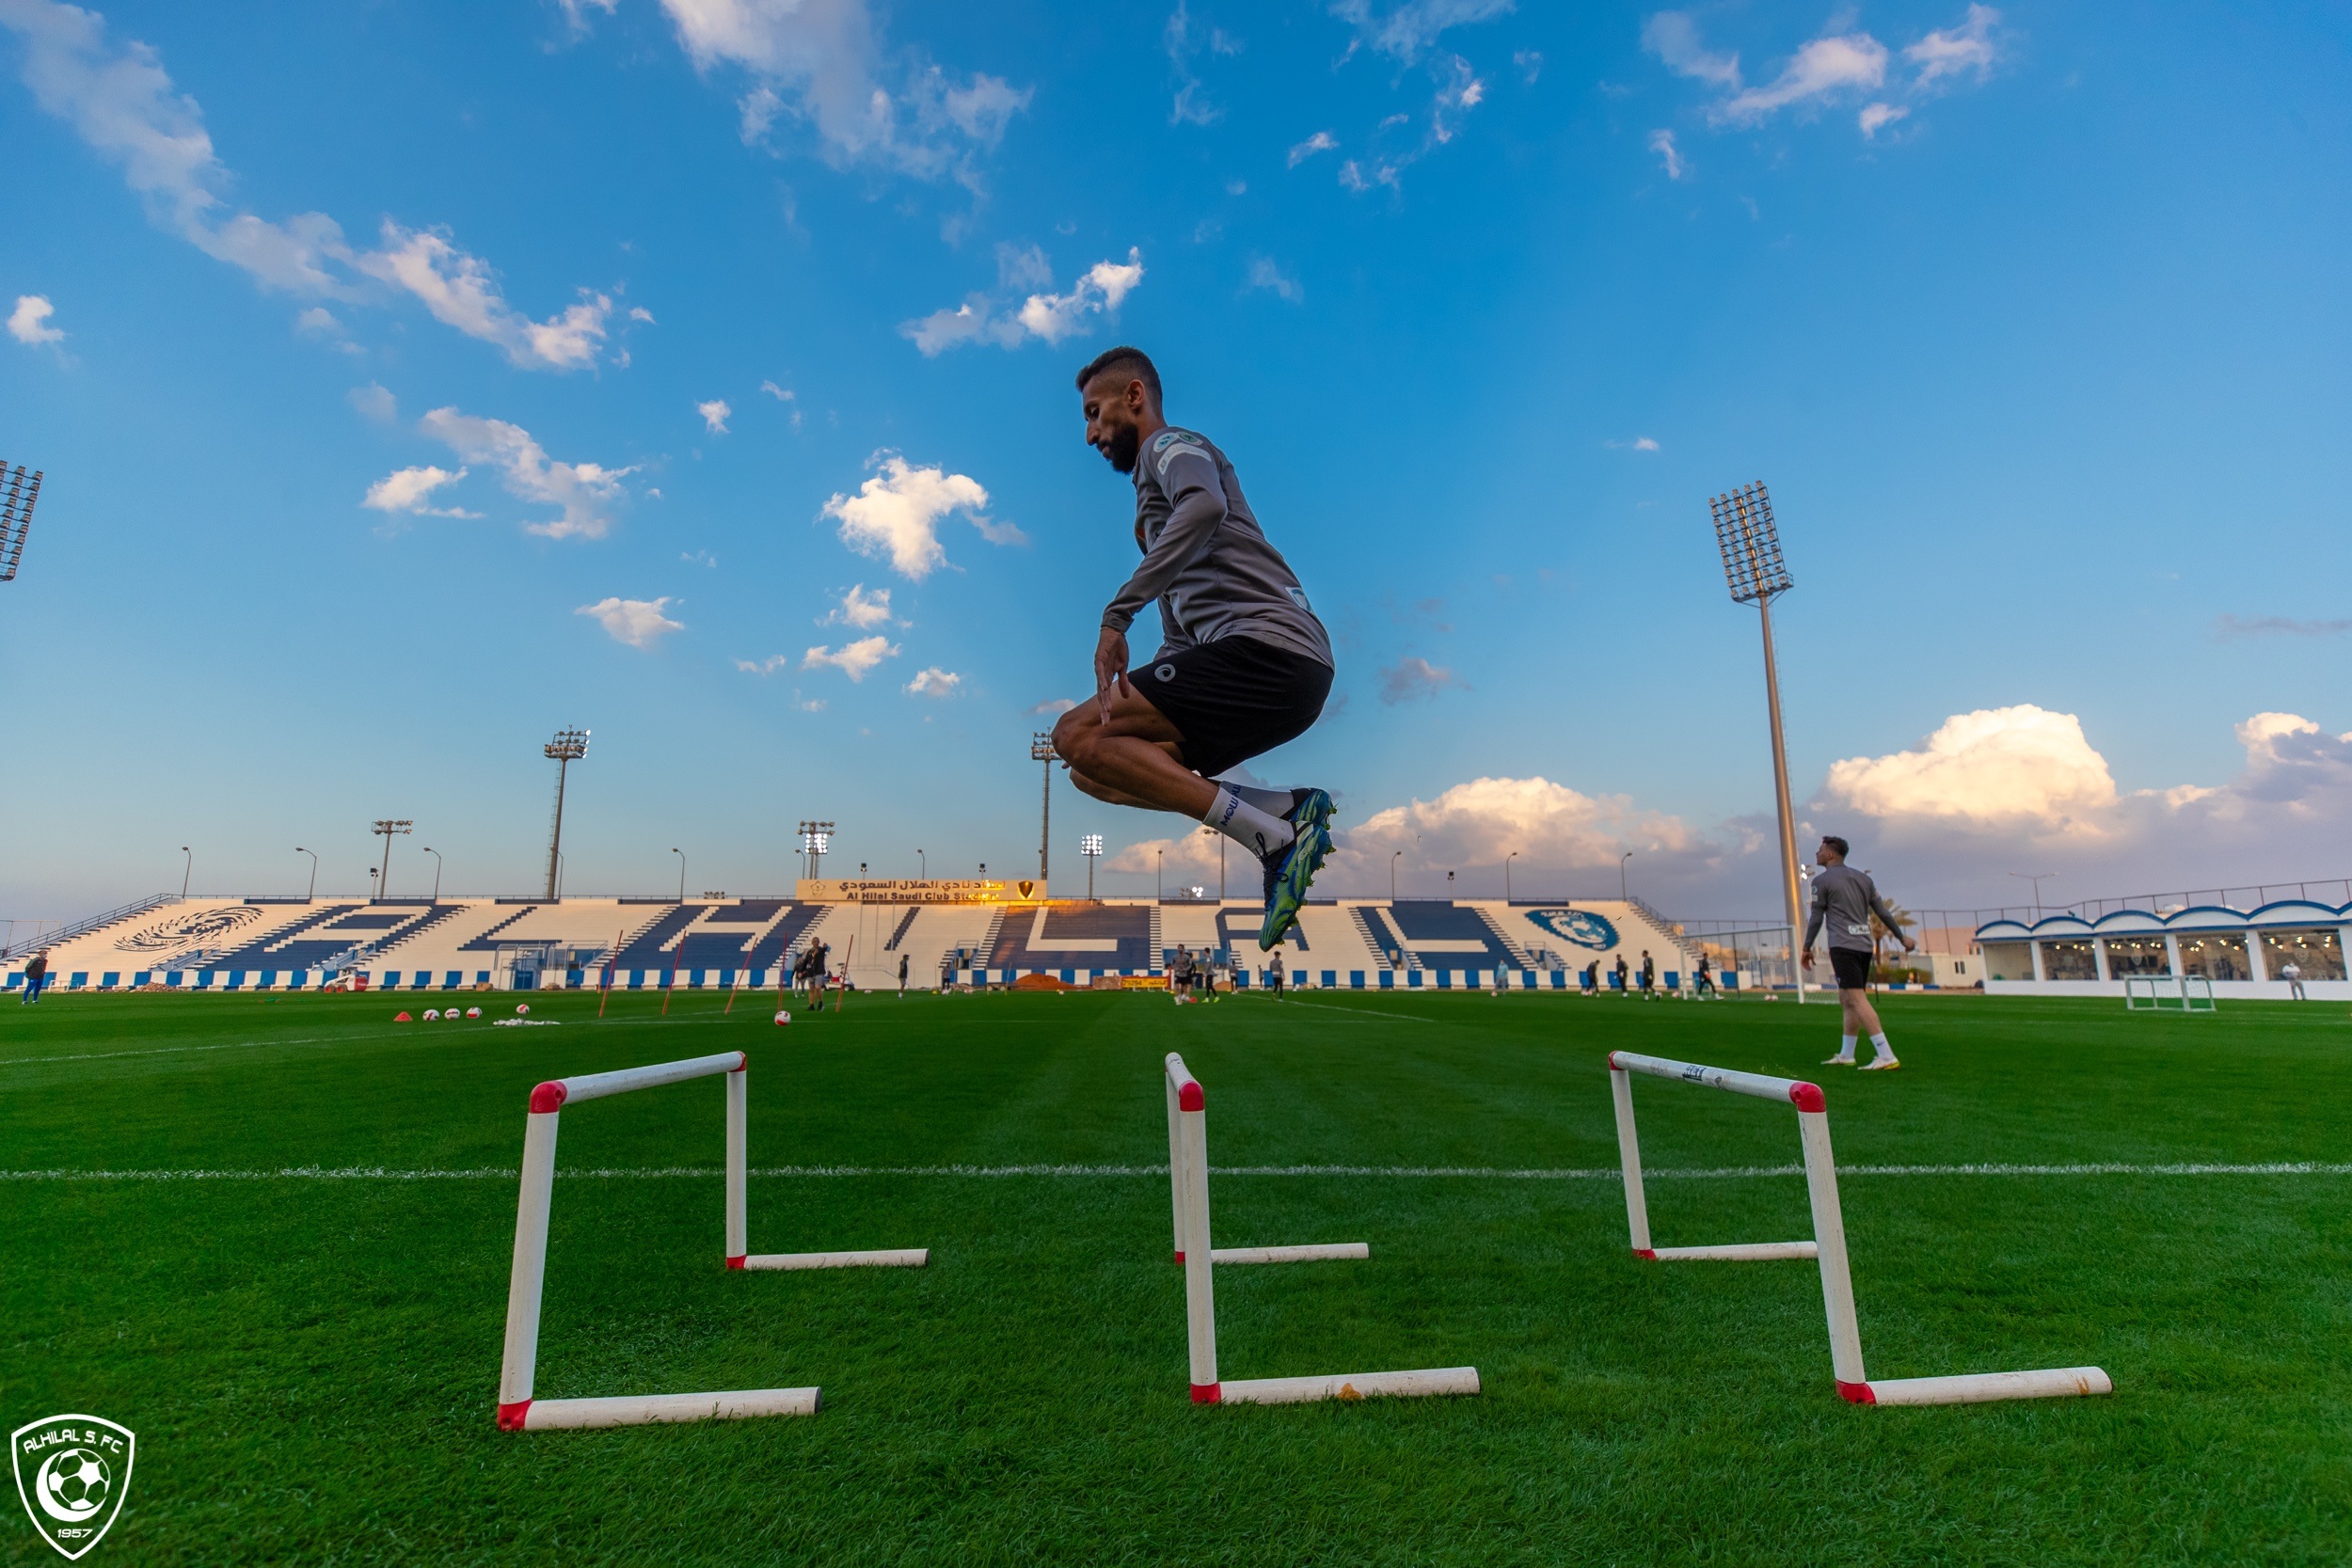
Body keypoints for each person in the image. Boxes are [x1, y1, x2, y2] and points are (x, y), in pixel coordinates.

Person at [1050, 347, 1338, 951]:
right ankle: (1286, 808)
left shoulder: (1170, 445)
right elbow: (1183, 633)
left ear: (1135, 397)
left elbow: (1204, 505)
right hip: (1275, 672)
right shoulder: (1150, 511)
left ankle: (1273, 840)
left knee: (1073, 735)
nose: (1090, 434)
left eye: (1095, 413)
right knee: (1094, 770)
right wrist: (1155, 667)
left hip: (1269, 650)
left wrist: (1116, 615)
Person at [1802, 836, 1916, 1069]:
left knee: (1855, 998)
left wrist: (1806, 947)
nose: (1817, 853)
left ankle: (1886, 1055)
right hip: (1864, 946)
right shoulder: (1864, 878)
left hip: (1843, 946)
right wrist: (1900, 936)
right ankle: (1847, 1054)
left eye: (1820, 849)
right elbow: (1882, 911)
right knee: (1846, 998)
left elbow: (1816, 916)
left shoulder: (1821, 881)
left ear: (1831, 854)